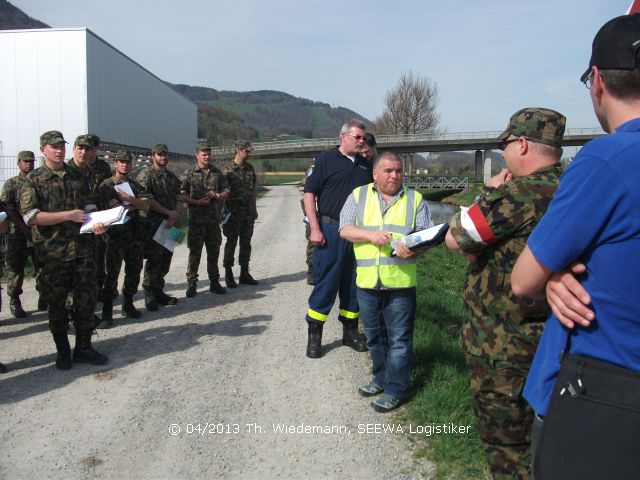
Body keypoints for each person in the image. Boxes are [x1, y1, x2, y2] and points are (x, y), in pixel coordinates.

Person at [511, 14, 640, 475]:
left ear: (598, 82)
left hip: (600, 397)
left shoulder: (606, 160)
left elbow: (524, 278)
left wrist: (552, 272)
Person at [445, 108, 566, 478]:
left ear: (523, 143)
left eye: (506, 143)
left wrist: (489, 192)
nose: (504, 151)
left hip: (502, 347)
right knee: (547, 441)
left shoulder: (518, 193)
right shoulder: (571, 185)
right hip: (553, 340)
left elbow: (456, 238)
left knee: (507, 450)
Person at [339, 151, 432, 412]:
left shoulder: (415, 200)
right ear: (375, 173)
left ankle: (397, 389)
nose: (394, 175)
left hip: (400, 284)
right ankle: (380, 378)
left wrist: (415, 249)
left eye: (399, 171)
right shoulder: (358, 196)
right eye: (389, 171)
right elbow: (344, 229)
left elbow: (427, 238)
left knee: (400, 340)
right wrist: (369, 235)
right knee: (374, 338)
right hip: (368, 283)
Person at [20, 130, 109, 370]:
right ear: (43, 150)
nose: (59, 150)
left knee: (86, 301)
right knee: (57, 305)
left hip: (83, 250)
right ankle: (62, 351)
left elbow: (90, 205)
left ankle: (83, 347)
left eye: (61, 146)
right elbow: (31, 217)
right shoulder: (33, 180)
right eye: (53, 146)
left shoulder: (78, 175)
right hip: (53, 253)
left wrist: (96, 222)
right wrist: (67, 215)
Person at [303, 120, 373, 358]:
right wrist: (315, 227)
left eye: (363, 138)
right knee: (326, 283)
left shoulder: (366, 165)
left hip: (357, 233)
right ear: (344, 137)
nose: (362, 141)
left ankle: (350, 332)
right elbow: (309, 194)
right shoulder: (325, 161)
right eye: (358, 137)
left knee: (353, 284)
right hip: (331, 230)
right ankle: (315, 336)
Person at [97, 150, 150, 328]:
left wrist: (128, 198)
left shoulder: (134, 185)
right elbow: (116, 210)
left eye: (127, 162)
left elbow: (146, 205)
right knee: (111, 274)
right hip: (115, 237)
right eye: (121, 161)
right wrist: (134, 204)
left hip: (134, 235)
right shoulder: (106, 185)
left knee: (134, 271)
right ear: (116, 163)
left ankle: (128, 303)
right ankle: (107, 311)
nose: (125, 165)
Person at [181, 141, 230, 297]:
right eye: (204, 154)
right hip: (196, 221)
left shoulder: (217, 173)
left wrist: (216, 195)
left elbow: (226, 191)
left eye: (209, 154)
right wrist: (197, 202)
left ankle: (214, 282)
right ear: (197, 155)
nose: (207, 157)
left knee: (213, 252)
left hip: (213, 221)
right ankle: (192, 283)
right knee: (194, 253)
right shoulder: (189, 173)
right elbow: (182, 195)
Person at [136, 143, 182, 310]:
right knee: (154, 259)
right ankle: (149, 293)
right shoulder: (145, 175)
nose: (163, 157)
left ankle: (159, 290)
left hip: (171, 224)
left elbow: (179, 198)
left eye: (165, 155)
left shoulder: (172, 177)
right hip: (153, 224)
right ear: (153, 156)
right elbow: (148, 199)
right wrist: (168, 213)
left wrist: (174, 214)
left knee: (166, 258)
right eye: (160, 154)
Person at [67, 134, 112, 301]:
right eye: (81, 148)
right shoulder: (66, 172)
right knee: (71, 274)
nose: (84, 152)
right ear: (74, 150)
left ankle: (91, 300)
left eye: (88, 149)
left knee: (94, 264)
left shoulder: (96, 171)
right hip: (71, 232)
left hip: (95, 224)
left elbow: (102, 192)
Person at [1, 150, 45, 317]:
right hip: (17, 233)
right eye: (25, 161)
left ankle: (44, 296)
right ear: (18, 163)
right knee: (15, 268)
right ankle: (14, 300)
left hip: (39, 231)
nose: (28, 164)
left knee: (42, 266)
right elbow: (8, 209)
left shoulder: (39, 181)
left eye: (31, 161)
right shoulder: (12, 184)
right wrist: (25, 230)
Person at [221, 140, 259, 287]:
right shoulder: (227, 170)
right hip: (233, 213)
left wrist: (254, 209)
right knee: (231, 242)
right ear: (238, 150)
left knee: (246, 242)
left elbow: (253, 191)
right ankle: (228, 273)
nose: (249, 154)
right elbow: (222, 192)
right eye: (246, 151)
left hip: (247, 213)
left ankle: (244, 272)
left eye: (250, 151)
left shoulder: (250, 169)